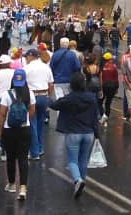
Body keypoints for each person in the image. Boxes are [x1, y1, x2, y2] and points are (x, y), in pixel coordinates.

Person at [49, 71, 100, 199]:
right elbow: (95, 117)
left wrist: (47, 98)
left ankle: (77, 180)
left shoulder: (69, 98)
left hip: (73, 133)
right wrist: (97, 133)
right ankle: (82, 181)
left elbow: (54, 105)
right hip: (88, 133)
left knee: (72, 160)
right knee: (83, 160)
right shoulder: (91, 98)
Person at [0, 68, 36, 201]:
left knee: (11, 157)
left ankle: (12, 184)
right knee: (23, 158)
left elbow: (2, 114)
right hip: (25, 129)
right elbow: (32, 112)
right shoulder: (30, 94)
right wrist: (25, 121)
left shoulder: (7, 94)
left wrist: (0, 131)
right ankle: (23, 187)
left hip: (9, 129)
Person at [23, 48, 54, 160]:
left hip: (32, 96)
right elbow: (51, 84)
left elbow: (22, 84)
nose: (26, 59)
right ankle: (40, 148)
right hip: (43, 95)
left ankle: (34, 152)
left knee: (32, 123)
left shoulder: (27, 68)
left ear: (31, 56)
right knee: (40, 123)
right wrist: (48, 96)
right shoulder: (46, 67)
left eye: (27, 56)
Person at [99, 51, 119, 123]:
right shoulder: (114, 67)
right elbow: (116, 78)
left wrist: (100, 89)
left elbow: (100, 78)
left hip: (104, 86)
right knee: (108, 102)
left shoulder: (101, 67)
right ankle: (106, 116)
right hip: (112, 86)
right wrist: (117, 88)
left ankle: (102, 115)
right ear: (110, 59)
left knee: (100, 102)